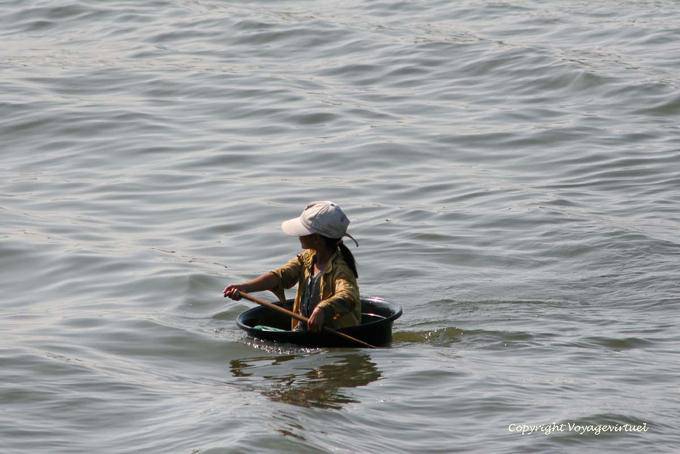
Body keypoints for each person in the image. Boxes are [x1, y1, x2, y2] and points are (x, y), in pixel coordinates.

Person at [223, 201, 360, 332]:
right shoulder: (307, 258)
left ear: (317, 239)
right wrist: (245, 288)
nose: (299, 235)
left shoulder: (340, 269)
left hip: (330, 335)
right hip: (304, 331)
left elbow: (348, 295)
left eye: (303, 231)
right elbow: (279, 276)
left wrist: (322, 309)